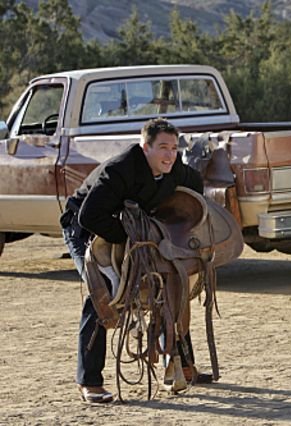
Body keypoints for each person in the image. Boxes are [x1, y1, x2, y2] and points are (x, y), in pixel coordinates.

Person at [61, 117, 208, 404]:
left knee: (170, 279)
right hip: (85, 226)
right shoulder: (120, 170)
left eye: (174, 148)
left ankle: (181, 362)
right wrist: (128, 239)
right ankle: (89, 381)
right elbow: (89, 216)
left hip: (131, 225)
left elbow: (196, 186)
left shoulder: (174, 168)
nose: (169, 154)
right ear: (145, 147)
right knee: (101, 291)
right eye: (162, 147)